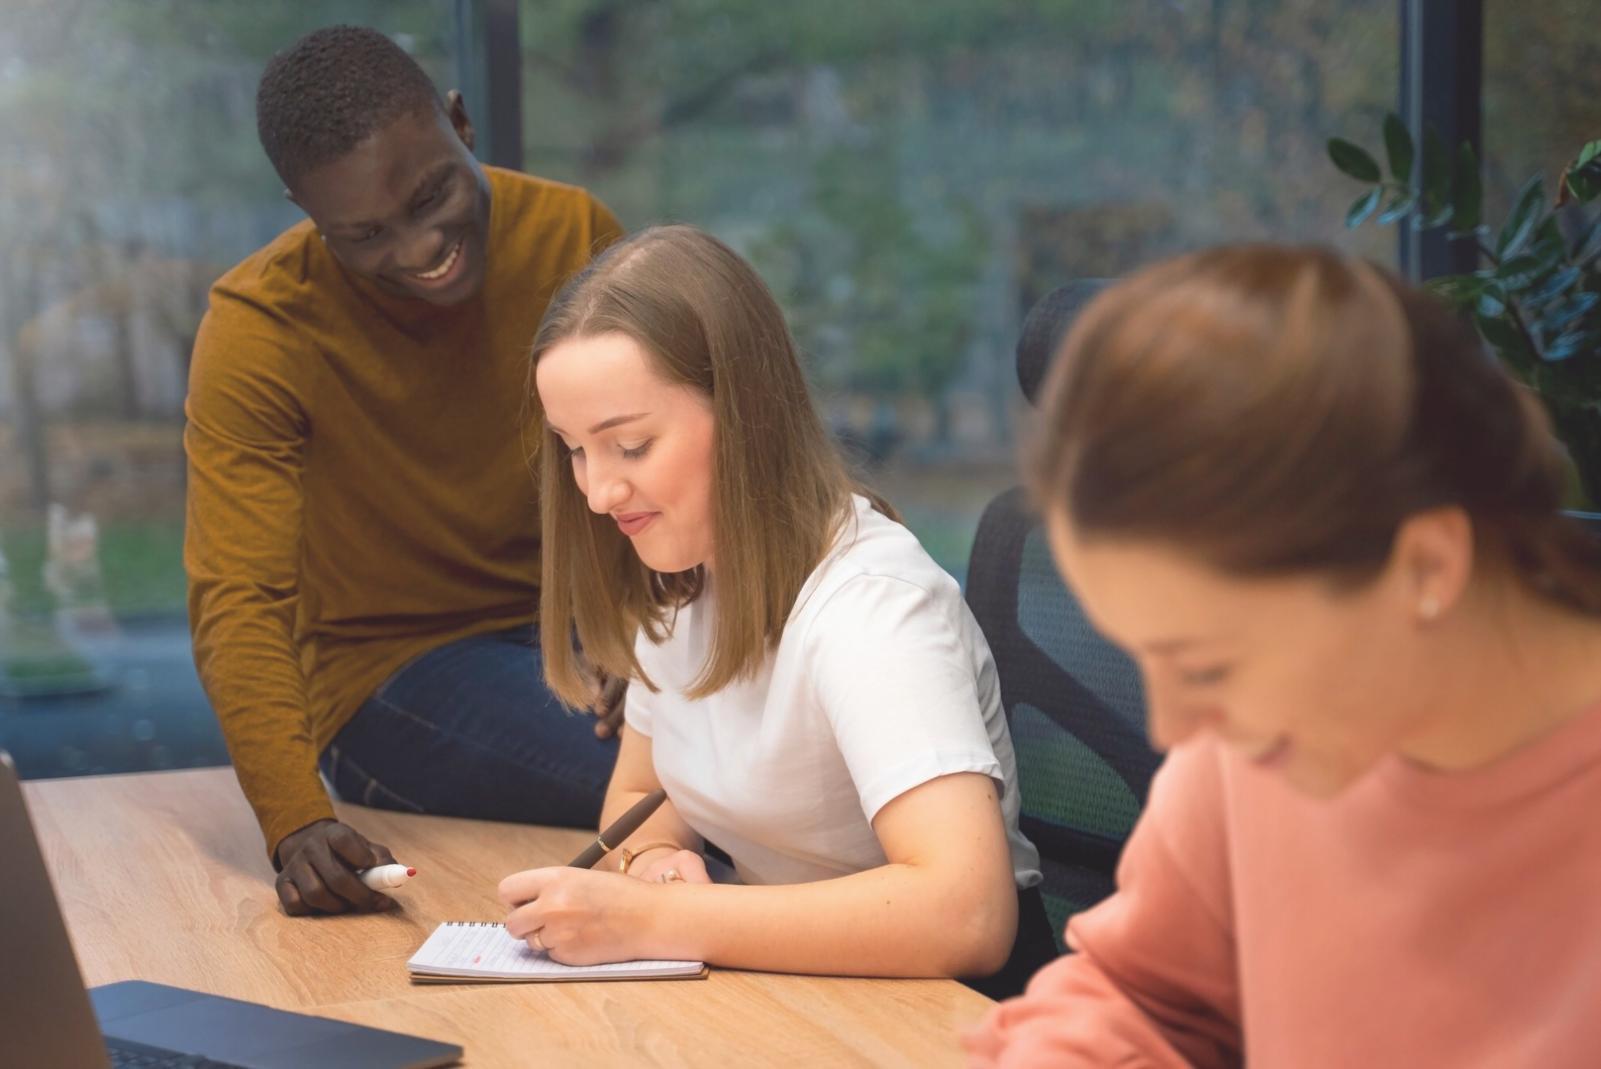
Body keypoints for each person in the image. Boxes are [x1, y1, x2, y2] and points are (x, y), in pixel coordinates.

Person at [966, 245, 1601, 1065]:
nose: (1169, 727)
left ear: (1425, 570)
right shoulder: (1241, 761)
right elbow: (1139, 995)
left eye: (1207, 666)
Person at [494, 224, 1055, 998]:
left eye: (629, 446)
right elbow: (636, 798)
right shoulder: (682, 577)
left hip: (950, 1009)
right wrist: (655, 867)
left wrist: (656, 920)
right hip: (808, 986)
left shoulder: (869, 609)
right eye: (574, 449)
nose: (595, 492)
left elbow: (968, 913)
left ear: (745, 414)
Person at [184, 25, 626, 918]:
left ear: (459, 123)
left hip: (580, 629)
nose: (420, 246)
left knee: (782, 741)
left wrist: (637, 629)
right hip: (395, 672)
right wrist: (295, 819)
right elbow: (239, 598)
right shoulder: (258, 329)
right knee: (682, 775)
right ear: (304, 208)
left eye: (431, 196)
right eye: (365, 234)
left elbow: (661, 459)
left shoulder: (572, 232)